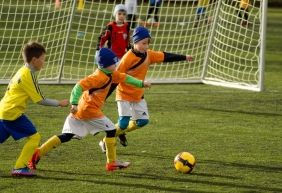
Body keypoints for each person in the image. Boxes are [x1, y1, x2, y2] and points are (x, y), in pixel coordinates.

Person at [28, 48, 151, 172]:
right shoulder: (97, 77)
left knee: (67, 136)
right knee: (111, 130)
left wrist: (141, 83)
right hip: (89, 110)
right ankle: (111, 163)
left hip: (81, 110)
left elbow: (125, 78)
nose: (116, 65)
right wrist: (74, 103)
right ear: (105, 65)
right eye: (114, 63)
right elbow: (78, 87)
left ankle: (37, 153)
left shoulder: (111, 73)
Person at [98, 26, 193, 152]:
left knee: (142, 121)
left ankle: (120, 132)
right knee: (123, 123)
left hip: (138, 95)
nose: (146, 46)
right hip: (124, 94)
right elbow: (115, 79)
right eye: (143, 43)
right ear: (134, 42)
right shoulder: (127, 59)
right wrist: (103, 98)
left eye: (148, 43)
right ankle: (105, 141)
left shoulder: (149, 55)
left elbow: (165, 56)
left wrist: (184, 57)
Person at [0, 41, 69, 177]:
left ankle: (20, 167)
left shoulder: (22, 70)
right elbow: (40, 100)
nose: (44, 63)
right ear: (34, 60)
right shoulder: (28, 75)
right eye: (43, 59)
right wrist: (59, 103)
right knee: (34, 137)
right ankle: (19, 167)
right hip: (13, 113)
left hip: (4, 110)